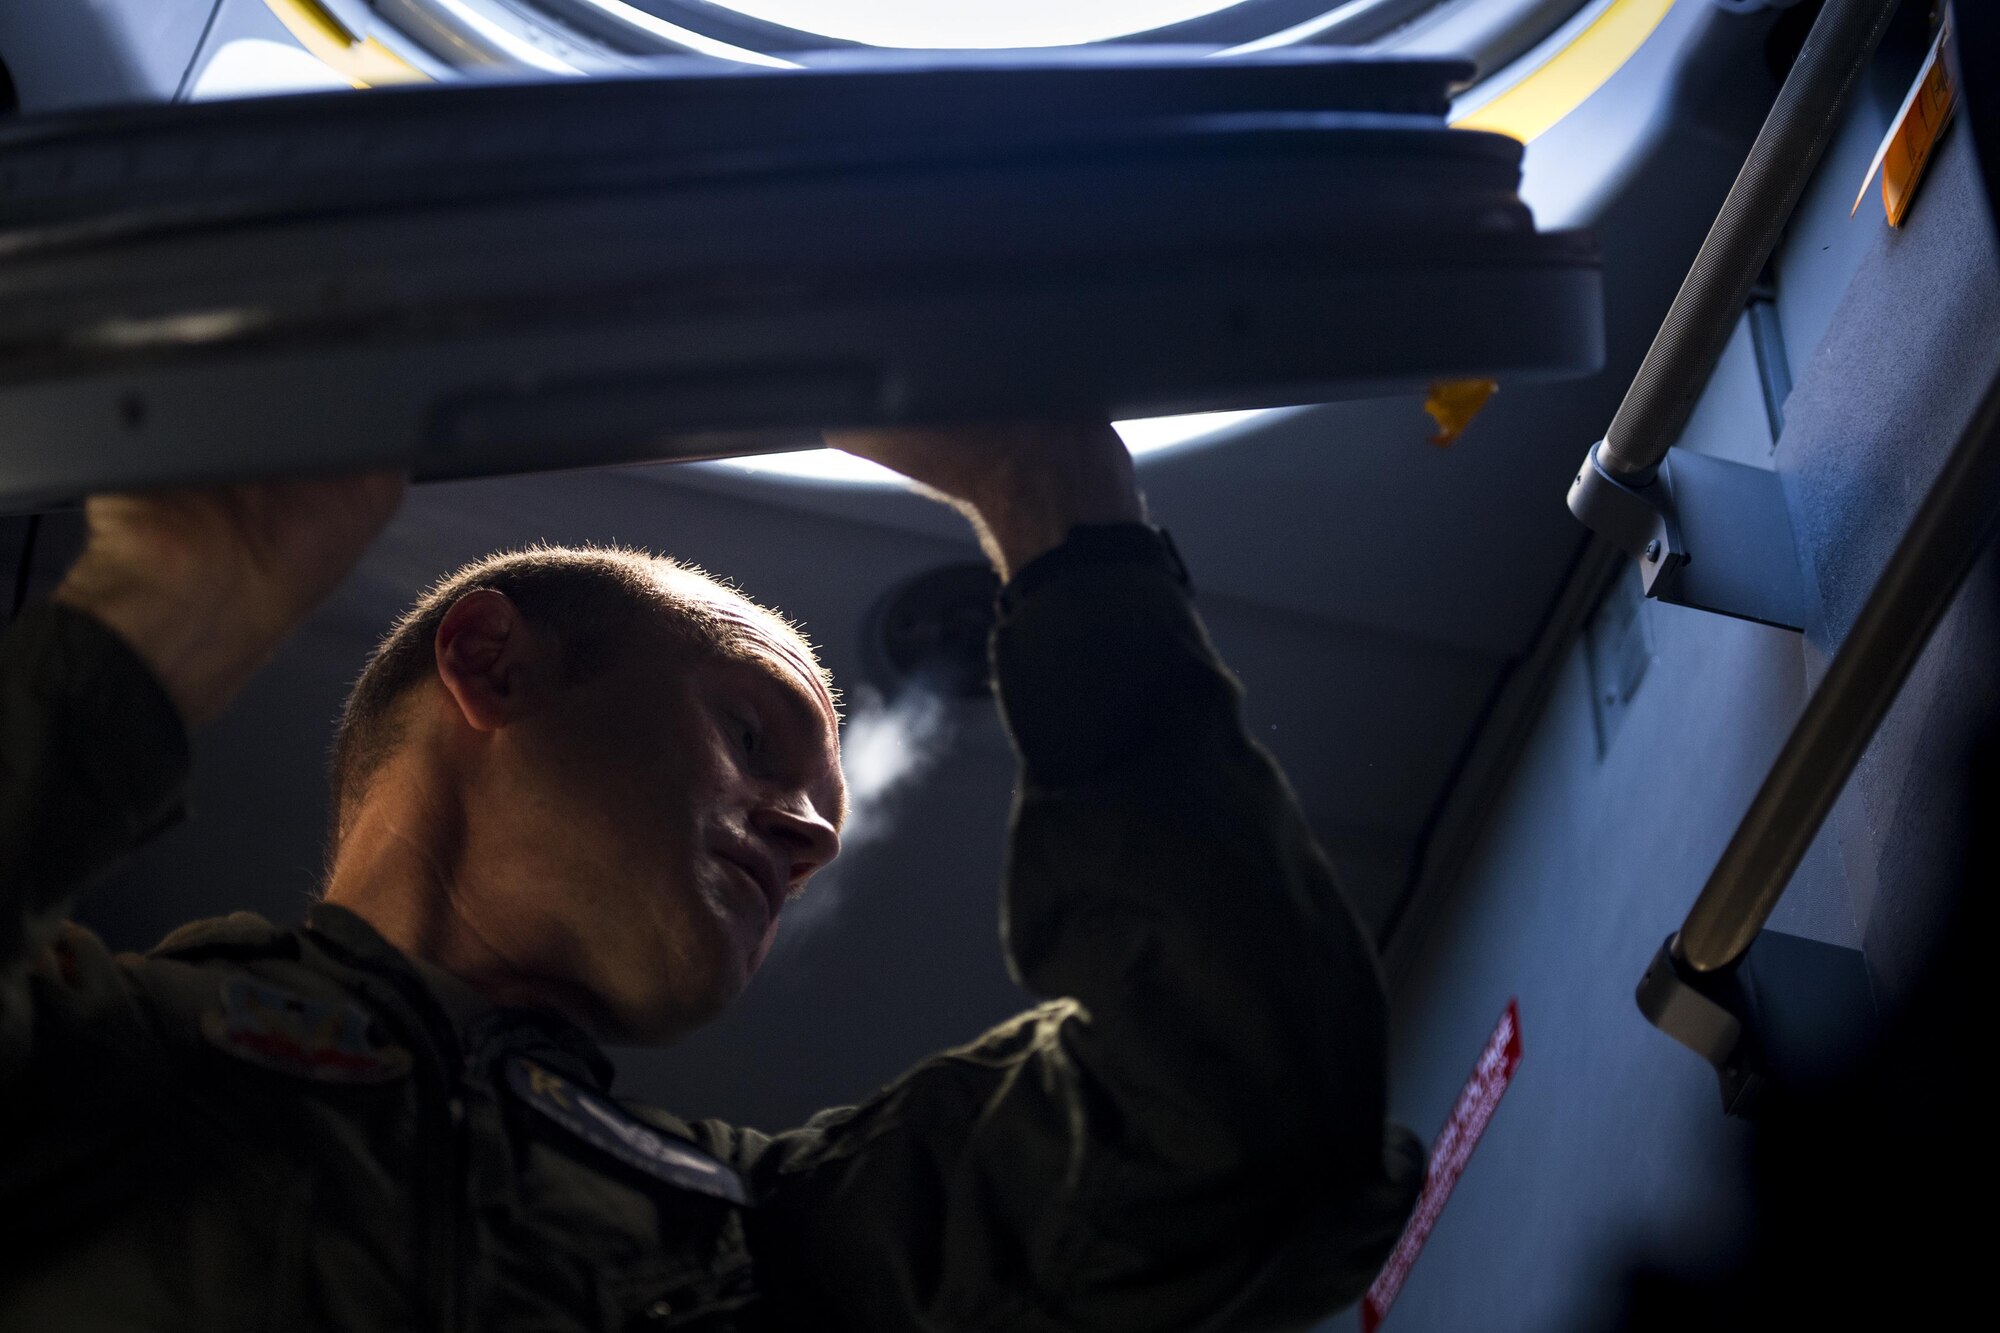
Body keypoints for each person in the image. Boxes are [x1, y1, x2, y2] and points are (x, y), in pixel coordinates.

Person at [0, 422, 1421, 1331]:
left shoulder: (777, 1239)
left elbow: (1257, 1132)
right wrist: (153, 623)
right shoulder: (110, 1049)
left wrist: (1059, 499)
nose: (811, 833)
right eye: (754, 732)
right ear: (493, 665)